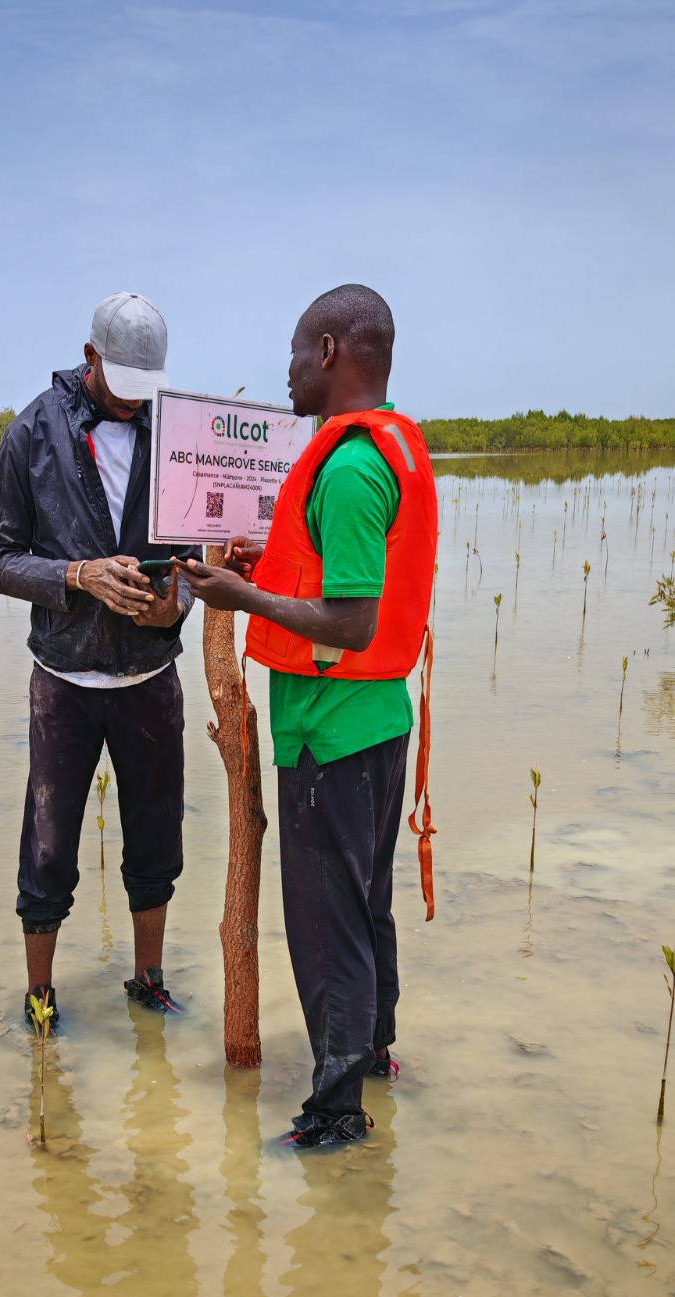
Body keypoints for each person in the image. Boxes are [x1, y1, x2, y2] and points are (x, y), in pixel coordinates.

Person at [184, 283, 438, 1147]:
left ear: (330, 352)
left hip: (334, 730)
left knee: (328, 925)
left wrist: (242, 594)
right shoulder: (376, 453)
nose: (287, 373)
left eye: (295, 353)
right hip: (372, 723)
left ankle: (336, 1115)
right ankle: (372, 1056)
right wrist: (264, 570)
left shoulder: (356, 465)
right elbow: (331, 577)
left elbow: (353, 619)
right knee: (364, 904)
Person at [0, 291, 196, 1031]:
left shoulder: (176, 433)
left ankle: (148, 982)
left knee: (157, 838)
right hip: (64, 682)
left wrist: (177, 606)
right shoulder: (33, 433)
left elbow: (193, 559)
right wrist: (78, 576)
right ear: (91, 359)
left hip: (150, 678)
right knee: (47, 847)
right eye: (124, 389)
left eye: (149, 392)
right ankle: (40, 999)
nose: (136, 406)